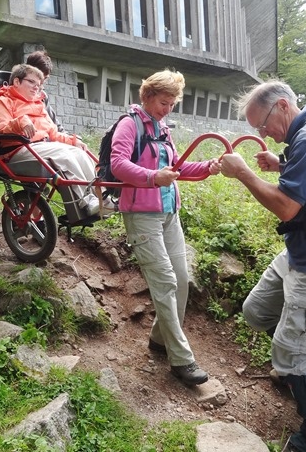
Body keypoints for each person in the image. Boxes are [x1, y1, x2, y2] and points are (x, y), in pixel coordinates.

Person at [219, 80, 306, 452]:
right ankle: (298, 368)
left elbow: (286, 207)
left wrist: (244, 173)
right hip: (300, 253)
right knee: (255, 311)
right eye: (256, 131)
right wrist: (280, 163)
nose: (262, 133)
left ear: (282, 106)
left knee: (291, 355)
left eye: (262, 125)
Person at [110, 69, 220, 386]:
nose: (167, 109)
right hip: (142, 215)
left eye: (172, 104)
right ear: (147, 97)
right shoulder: (129, 125)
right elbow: (118, 165)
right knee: (165, 282)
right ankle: (181, 361)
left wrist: (207, 168)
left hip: (169, 212)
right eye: (163, 102)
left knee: (182, 280)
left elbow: (177, 167)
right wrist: (151, 177)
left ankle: (160, 340)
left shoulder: (161, 129)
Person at [0, 63, 102, 216]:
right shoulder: (3, 102)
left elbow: (54, 133)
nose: (36, 87)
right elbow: (0, 128)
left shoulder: (39, 105)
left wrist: (73, 140)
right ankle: (86, 200)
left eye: (39, 84)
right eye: (31, 82)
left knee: (80, 153)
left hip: (42, 147)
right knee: (63, 155)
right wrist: (20, 121)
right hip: (18, 150)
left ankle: (100, 196)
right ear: (17, 82)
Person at [25, 49, 64, 133]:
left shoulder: (42, 96)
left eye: (45, 78)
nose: (41, 83)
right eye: (39, 77)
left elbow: (54, 122)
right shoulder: (14, 95)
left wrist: (69, 138)